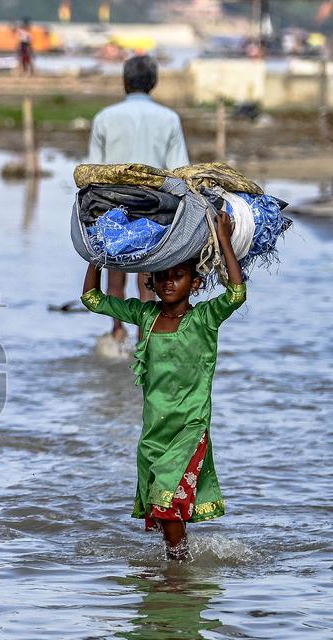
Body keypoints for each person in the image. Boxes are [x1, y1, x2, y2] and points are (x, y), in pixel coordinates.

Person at [79, 212, 245, 560]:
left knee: (166, 502)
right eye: (163, 277)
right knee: (162, 510)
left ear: (195, 283)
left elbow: (236, 293)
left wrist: (224, 239)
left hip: (189, 428)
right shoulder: (146, 316)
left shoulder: (204, 319)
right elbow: (92, 299)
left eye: (179, 276)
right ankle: (177, 573)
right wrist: (98, 251)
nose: (170, 283)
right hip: (154, 433)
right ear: (149, 282)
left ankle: (177, 573)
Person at [88, 55, 190, 350]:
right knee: (149, 276)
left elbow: (94, 171)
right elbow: (179, 171)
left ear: (124, 81)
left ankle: (117, 331)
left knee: (115, 274)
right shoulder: (170, 119)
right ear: (154, 83)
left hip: (112, 205)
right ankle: (145, 335)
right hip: (155, 208)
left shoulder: (105, 118)